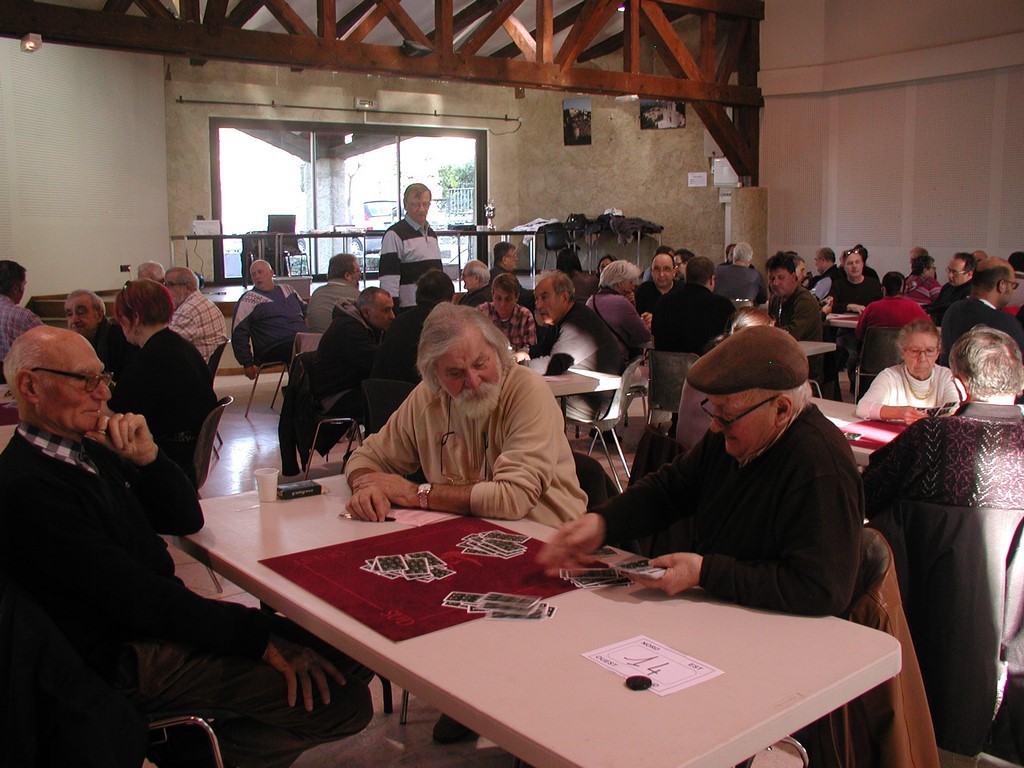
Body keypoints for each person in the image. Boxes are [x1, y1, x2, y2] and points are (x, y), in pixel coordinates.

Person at [0, 327, 373, 768]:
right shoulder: (26, 489)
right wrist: (255, 639)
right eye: (84, 380)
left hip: (152, 624)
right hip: (121, 656)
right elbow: (141, 600)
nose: (101, 393)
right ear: (29, 386)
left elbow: (185, 520)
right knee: (344, 703)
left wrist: (150, 459)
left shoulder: (86, 452)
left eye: (103, 377)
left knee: (352, 645)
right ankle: (191, 753)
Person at [347, 302, 587, 744]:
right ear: (434, 375)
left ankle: (496, 698)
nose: (473, 382)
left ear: (500, 351)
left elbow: (513, 499)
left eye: (481, 364)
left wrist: (414, 492)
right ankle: (467, 693)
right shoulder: (428, 398)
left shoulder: (525, 391)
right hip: (469, 547)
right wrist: (367, 485)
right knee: (377, 588)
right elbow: (365, 457)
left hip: (549, 552)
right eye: (455, 374)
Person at [539, 325, 863, 617]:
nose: (714, 426)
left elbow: (822, 590)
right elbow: (671, 490)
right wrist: (603, 522)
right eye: (713, 410)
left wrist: (705, 572)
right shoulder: (736, 434)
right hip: (726, 613)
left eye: (726, 415)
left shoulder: (820, 465)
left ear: (780, 409)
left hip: (787, 638)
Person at [862, 326, 1024, 762]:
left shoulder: (932, 438)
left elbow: (866, 496)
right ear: (1020, 382)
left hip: (927, 630)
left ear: (959, 382)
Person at [108, 280, 217, 486]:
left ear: (135, 318)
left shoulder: (151, 357)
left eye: (120, 320)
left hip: (167, 459)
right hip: (188, 453)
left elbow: (112, 413)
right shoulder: (182, 346)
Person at [528, 270, 622, 421]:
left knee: (523, 399)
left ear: (564, 297)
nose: (538, 305)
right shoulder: (562, 319)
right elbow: (541, 350)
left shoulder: (578, 323)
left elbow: (554, 365)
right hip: (581, 392)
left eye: (544, 297)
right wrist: (522, 354)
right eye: (536, 299)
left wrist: (513, 369)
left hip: (594, 403)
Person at [855, 319, 959, 423]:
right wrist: (900, 413)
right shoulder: (889, 376)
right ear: (902, 353)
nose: (922, 358)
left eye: (929, 351)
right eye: (914, 351)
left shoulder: (946, 376)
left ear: (937, 353)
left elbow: (955, 410)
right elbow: (863, 407)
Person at [312, 287, 394, 419]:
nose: (392, 316)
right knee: (391, 402)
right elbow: (380, 365)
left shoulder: (365, 324)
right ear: (366, 312)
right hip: (335, 397)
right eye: (386, 310)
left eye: (392, 309)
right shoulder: (349, 329)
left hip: (351, 388)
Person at [370, 269, 454, 384]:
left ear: (417, 295)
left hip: (379, 395)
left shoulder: (397, 322)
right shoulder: (443, 326)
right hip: (413, 397)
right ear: (451, 299)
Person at [231, 259, 307, 379]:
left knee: (323, 344)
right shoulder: (248, 299)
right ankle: (299, 394)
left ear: (272, 273)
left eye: (260, 272)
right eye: (253, 274)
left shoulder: (288, 289)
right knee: (304, 352)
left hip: (300, 340)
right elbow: (238, 333)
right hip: (273, 347)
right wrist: (247, 363)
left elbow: (306, 311)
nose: (257, 276)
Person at [941, 257, 1024, 364]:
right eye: (1013, 285)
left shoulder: (953, 309)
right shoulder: (1004, 322)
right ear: (1002, 285)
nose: (1013, 290)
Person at [379, 182, 443, 310]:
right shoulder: (394, 234)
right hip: (408, 308)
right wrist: (393, 310)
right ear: (405, 205)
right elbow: (389, 280)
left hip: (433, 306)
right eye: (415, 204)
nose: (421, 209)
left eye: (425, 204)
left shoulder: (431, 234)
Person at [652, 256, 734, 354]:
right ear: (712, 279)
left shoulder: (663, 301)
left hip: (665, 367)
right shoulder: (724, 306)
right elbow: (732, 344)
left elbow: (654, 340)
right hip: (706, 368)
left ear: (686, 277)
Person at [586, 260, 652, 368]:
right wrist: (647, 323)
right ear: (619, 283)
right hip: (614, 364)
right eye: (630, 282)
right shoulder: (621, 302)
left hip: (591, 362)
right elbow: (643, 336)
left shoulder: (591, 300)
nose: (633, 287)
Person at [64, 289, 136, 378]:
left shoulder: (122, 339)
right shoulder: (66, 347)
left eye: (81, 312)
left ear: (99, 315)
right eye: (69, 314)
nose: (74, 320)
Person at [164, 266, 227, 362]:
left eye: (170, 285)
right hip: (200, 368)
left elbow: (166, 346)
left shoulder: (188, 311)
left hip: (190, 372)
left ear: (188, 288)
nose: (165, 290)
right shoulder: (201, 302)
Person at [478, 272, 536, 363]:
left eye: (508, 299)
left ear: (517, 297)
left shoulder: (525, 316)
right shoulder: (482, 312)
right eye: (498, 298)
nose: (503, 304)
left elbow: (529, 348)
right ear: (492, 295)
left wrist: (523, 353)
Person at [855, 271, 929, 341]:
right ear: (904, 289)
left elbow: (859, 334)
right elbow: (929, 329)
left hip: (874, 353)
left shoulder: (871, 308)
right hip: (904, 352)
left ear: (884, 289)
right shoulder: (914, 307)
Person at [0, 260, 43, 378]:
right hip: (14, 383)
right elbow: (49, 350)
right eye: (23, 285)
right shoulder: (25, 318)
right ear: (15, 288)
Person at [306, 253, 361, 333]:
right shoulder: (357, 296)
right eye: (358, 271)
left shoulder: (316, 293)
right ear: (347, 275)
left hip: (314, 343)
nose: (360, 275)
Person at [823, 245, 882, 315]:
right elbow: (831, 306)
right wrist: (848, 306)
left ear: (862, 265)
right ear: (844, 267)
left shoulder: (874, 284)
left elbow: (882, 306)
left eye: (857, 262)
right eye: (850, 263)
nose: (854, 266)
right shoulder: (838, 285)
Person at [925, 252, 975, 326]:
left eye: (955, 272)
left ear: (969, 274)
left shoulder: (972, 292)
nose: (950, 275)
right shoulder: (947, 287)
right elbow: (935, 307)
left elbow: (956, 316)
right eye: (949, 270)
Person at [634, 250, 676, 319]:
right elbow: (636, 318)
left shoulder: (683, 290)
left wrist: (656, 320)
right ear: (651, 271)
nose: (661, 274)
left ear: (674, 271)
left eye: (666, 269)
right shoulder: (644, 290)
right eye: (657, 269)